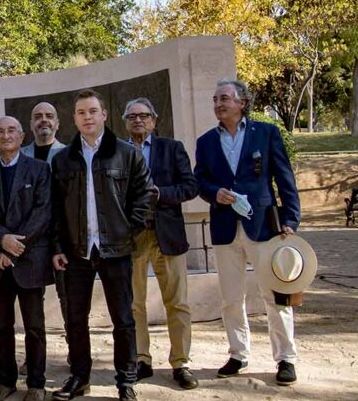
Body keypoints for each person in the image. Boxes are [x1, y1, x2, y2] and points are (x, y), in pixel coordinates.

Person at [194, 79, 301, 386]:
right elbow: (200, 181)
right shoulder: (206, 142)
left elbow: (284, 178)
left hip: (264, 226)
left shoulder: (266, 134)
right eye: (215, 99)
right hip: (226, 228)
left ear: (242, 102)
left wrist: (291, 219)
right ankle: (238, 354)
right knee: (231, 298)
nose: (218, 104)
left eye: (225, 98)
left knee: (275, 294)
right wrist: (216, 193)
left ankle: (286, 358)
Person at [50, 89, 153, 401]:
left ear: (104, 115)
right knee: (75, 319)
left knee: (123, 319)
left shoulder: (127, 153)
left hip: (116, 249)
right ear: (75, 118)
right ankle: (79, 378)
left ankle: (126, 382)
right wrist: (57, 247)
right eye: (81, 112)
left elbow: (146, 195)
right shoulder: (63, 159)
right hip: (76, 251)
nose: (87, 117)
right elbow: (54, 208)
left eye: (93, 111)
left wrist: (128, 229)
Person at [123, 98, 199, 390]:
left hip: (167, 233)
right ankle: (141, 359)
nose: (138, 120)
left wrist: (161, 193)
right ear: (125, 122)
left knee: (177, 302)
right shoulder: (118, 151)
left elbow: (191, 186)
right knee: (133, 304)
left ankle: (181, 363)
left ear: (154, 120)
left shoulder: (172, 148)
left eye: (143, 116)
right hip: (133, 237)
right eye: (132, 117)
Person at [0, 116, 53, 401]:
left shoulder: (40, 170)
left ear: (22, 137)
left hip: (29, 260)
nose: (6, 135)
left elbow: (43, 213)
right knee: (1, 328)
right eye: (0, 131)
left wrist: (13, 248)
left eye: (12, 130)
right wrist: (0, 243)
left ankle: (36, 383)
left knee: (35, 327)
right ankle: (5, 381)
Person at [22, 101, 69, 367]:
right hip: (33, 240)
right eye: (38, 116)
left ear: (57, 123)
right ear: (30, 124)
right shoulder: (22, 154)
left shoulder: (69, 153)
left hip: (63, 239)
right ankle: (33, 358)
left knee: (69, 300)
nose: (44, 120)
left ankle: (76, 354)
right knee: (32, 305)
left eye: (49, 116)